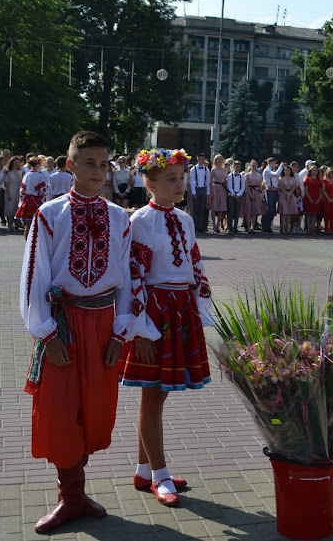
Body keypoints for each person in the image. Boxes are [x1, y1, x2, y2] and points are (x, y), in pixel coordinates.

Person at [21, 131, 141, 533]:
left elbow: (126, 279)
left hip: (104, 322)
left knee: (94, 408)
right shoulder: (49, 215)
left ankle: (77, 493)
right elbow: (33, 277)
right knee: (59, 409)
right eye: (89, 163)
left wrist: (121, 333)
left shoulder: (119, 217)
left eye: (104, 164)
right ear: (70, 165)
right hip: (64, 324)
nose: (98, 171)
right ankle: (69, 496)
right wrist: (46, 332)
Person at [117, 147, 212, 507]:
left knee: (158, 394)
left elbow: (194, 265)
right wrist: (139, 329)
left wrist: (200, 308)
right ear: (149, 182)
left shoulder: (185, 220)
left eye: (181, 178)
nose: (179, 184)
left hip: (180, 312)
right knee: (153, 395)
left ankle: (145, 469)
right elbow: (134, 276)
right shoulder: (139, 220)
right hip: (154, 315)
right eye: (171, 179)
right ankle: (160, 474)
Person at [16, 157, 49, 239]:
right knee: (36, 224)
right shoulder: (40, 176)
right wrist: (44, 201)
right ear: (38, 164)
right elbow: (43, 191)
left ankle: (27, 241)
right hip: (36, 200)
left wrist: (22, 201)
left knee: (27, 224)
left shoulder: (26, 175)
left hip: (27, 200)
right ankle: (34, 243)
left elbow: (22, 190)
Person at [209, 155, 228, 234]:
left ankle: (218, 226)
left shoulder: (225, 170)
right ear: (215, 161)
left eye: (221, 159)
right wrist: (210, 192)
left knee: (221, 208)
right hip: (215, 187)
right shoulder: (213, 170)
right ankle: (213, 225)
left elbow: (226, 180)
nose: (219, 161)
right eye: (218, 159)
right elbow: (210, 181)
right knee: (214, 207)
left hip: (222, 188)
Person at [3, 157, 24, 231]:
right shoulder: (8, 172)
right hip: (10, 191)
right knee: (9, 209)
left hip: (18, 192)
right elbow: (6, 184)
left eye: (18, 163)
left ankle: (16, 225)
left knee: (16, 209)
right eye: (15, 162)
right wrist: (8, 194)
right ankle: (9, 225)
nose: (16, 164)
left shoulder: (20, 172)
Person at [225, 160, 245, 234]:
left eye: (239, 167)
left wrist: (238, 195)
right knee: (231, 211)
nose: (237, 168)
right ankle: (230, 227)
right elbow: (229, 186)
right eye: (236, 166)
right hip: (231, 195)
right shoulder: (230, 176)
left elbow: (243, 187)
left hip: (239, 195)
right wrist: (234, 194)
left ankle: (236, 227)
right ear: (233, 167)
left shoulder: (241, 176)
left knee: (237, 212)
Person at [302, 165, 323, 234]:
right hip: (308, 198)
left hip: (316, 198)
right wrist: (310, 198)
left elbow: (320, 190)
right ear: (310, 171)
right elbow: (306, 189)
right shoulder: (307, 178)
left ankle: (312, 229)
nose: (315, 172)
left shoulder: (319, 179)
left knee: (314, 214)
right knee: (308, 214)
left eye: (316, 170)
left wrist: (319, 198)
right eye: (313, 170)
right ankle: (308, 229)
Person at [321, 167, 333, 235]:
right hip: (326, 199)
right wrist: (328, 198)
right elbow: (323, 190)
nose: (332, 174)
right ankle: (326, 229)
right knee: (326, 214)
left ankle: (332, 229)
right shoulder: (324, 181)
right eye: (331, 173)